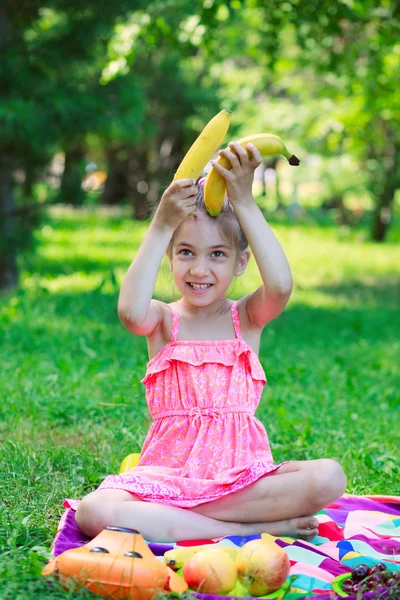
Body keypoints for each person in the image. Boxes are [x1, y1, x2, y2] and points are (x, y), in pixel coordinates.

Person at [75, 142, 346, 543]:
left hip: (239, 481)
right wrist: (162, 224)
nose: (199, 269)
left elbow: (282, 285)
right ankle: (252, 528)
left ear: (240, 263)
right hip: (169, 479)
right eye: (186, 252)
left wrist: (245, 202)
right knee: (92, 510)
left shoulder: (247, 318)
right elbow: (130, 312)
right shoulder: (164, 321)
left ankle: (183, 521)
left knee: (329, 477)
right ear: (170, 257)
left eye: (217, 254)